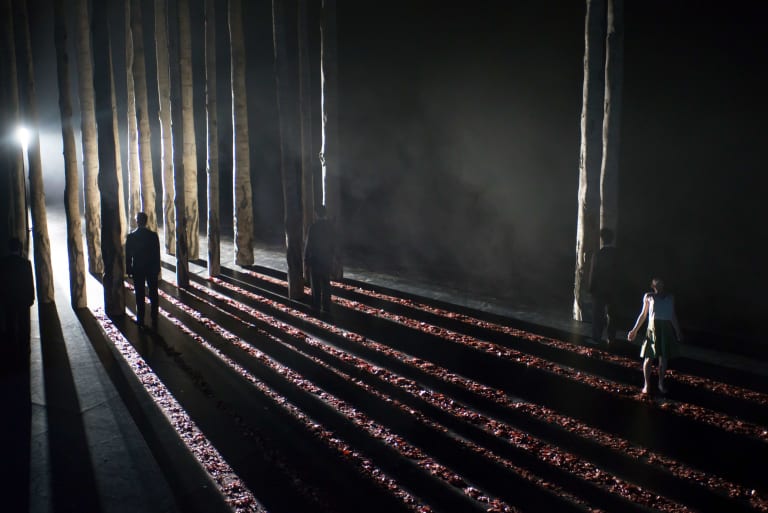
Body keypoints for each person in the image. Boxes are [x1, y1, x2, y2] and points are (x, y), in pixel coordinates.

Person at [627, 278, 683, 394]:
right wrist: (634, 330)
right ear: (652, 285)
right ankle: (647, 384)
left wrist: (678, 331)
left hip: (665, 329)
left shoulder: (670, 297)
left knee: (663, 358)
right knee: (649, 357)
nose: (659, 284)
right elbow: (643, 315)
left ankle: (661, 383)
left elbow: (672, 315)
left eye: (661, 282)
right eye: (656, 282)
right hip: (653, 329)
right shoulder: (649, 296)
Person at [0, 238, 35, 371]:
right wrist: (31, 298)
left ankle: (11, 350)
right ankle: (24, 350)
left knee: (10, 324)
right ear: (19, 249)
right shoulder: (25, 263)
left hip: (9, 300)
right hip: (23, 300)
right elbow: (29, 283)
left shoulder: (3, 263)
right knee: (24, 325)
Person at [126, 212, 161, 328]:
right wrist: (157, 268)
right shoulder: (153, 235)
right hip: (151, 268)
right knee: (153, 293)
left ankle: (140, 319)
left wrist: (129, 269)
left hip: (138, 268)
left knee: (139, 294)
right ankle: (154, 317)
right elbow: (157, 254)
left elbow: (128, 255)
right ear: (146, 221)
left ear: (137, 221)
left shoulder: (131, 236)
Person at [304, 205, 337, 313]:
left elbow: (308, 245)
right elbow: (334, 244)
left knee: (316, 284)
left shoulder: (313, 227)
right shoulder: (331, 227)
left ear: (316, 214)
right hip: (326, 259)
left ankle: (316, 305)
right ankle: (327, 306)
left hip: (315, 259)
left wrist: (306, 259)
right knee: (326, 283)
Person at [588, 228, 618, 346]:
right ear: (612, 238)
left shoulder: (598, 255)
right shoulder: (618, 254)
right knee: (613, 314)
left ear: (602, 239)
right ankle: (611, 338)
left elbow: (593, 273)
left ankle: (596, 338)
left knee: (597, 315)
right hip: (614, 289)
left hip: (599, 290)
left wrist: (591, 288)